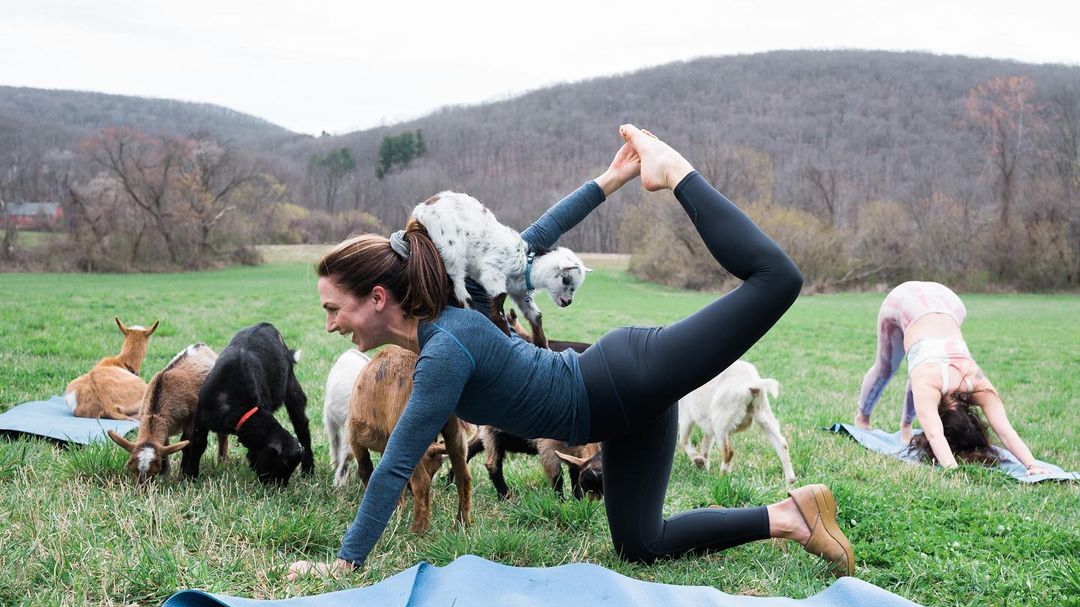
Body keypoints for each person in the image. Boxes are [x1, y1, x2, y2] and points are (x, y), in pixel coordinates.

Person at [289, 125, 854, 581]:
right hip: (622, 411)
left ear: (377, 298)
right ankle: (792, 518)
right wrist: (608, 179)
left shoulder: (445, 349)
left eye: (333, 308)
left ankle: (677, 171)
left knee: (776, 279)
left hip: (626, 379)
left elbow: (392, 468)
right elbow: (530, 239)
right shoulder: (465, 304)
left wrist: (343, 564)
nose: (331, 324)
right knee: (641, 544)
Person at [855, 281, 1048, 474]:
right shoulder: (930, 383)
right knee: (886, 368)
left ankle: (904, 425)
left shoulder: (979, 384)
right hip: (904, 301)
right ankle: (862, 420)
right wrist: (952, 469)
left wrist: (1033, 465)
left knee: (919, 374)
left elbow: (1006, 432)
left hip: (950, 301)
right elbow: (934, 434)